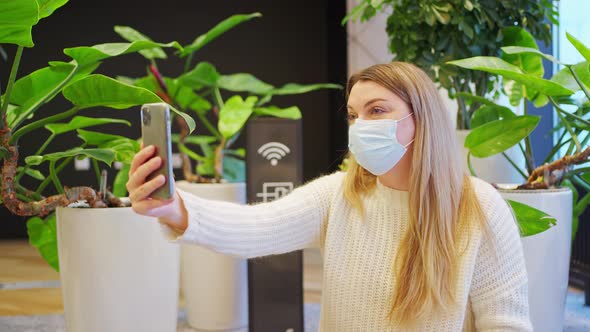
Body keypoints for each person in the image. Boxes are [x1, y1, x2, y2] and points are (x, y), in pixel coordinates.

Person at [127, 62, 531, 331]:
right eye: (354, 115)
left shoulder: (477, 206)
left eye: (376, 111)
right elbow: (257, 226)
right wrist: (174, 208)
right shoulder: (340, 195)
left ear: (420, 119)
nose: (360, 126)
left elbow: (505, 323)